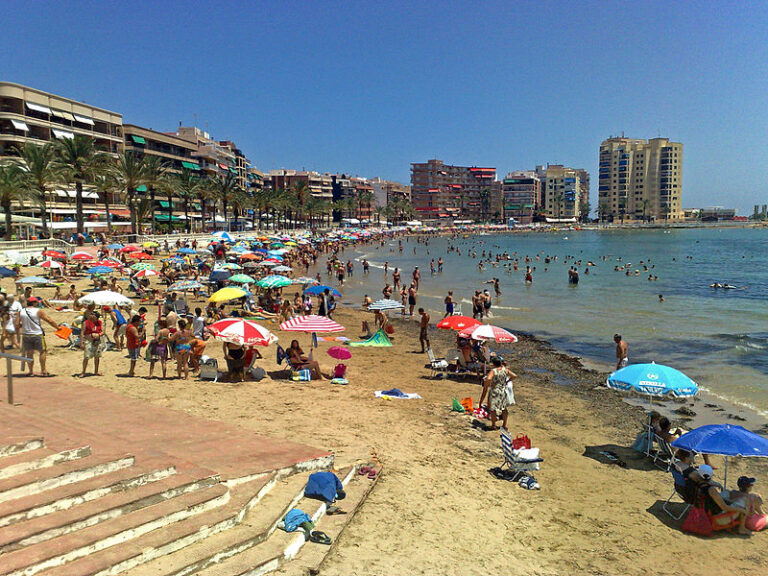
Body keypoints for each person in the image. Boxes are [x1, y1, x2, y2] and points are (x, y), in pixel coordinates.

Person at [696, 464, 750, 535]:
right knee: (744, 502)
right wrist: (742, 510)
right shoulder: (711, 490)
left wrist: (731, 501)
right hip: (718, 519)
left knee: (727, 493)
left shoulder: (698, 484)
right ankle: (741, 528)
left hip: (706, 512)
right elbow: (725, 507)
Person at [18, 297, 60, 376]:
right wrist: (57, 328)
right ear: (34, 303)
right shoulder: (38, 311)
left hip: (26, 334)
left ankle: (31, 371)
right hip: (37, 334)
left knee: (29, 353)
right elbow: (49, 320)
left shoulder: (21, 311)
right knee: (42, 351)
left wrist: (24, 326)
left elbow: (17, 324)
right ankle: (43, 370)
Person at [479, 357, 516, 430]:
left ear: (493, 364)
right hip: (503, 390)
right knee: (504, 408)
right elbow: (514, 376)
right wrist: (507, 381)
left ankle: (493, 425)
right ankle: (504, 425)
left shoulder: (493, 371)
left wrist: (489, 382)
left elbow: (489, 378)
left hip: (495, 390)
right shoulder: (505, 370)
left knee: (493, 409)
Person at [80, 310, 105, 377]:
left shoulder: (99, 322)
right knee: (86, 357)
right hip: (88, 341)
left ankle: (96, 371)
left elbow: (103, 331)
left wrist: (98, 334)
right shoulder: (85, 322)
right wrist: (82, 343)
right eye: (91, 314)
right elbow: (82, 333)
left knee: (97, 357)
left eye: (93, 314)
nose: (91, 315)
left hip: (97, 341)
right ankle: (83, 372)